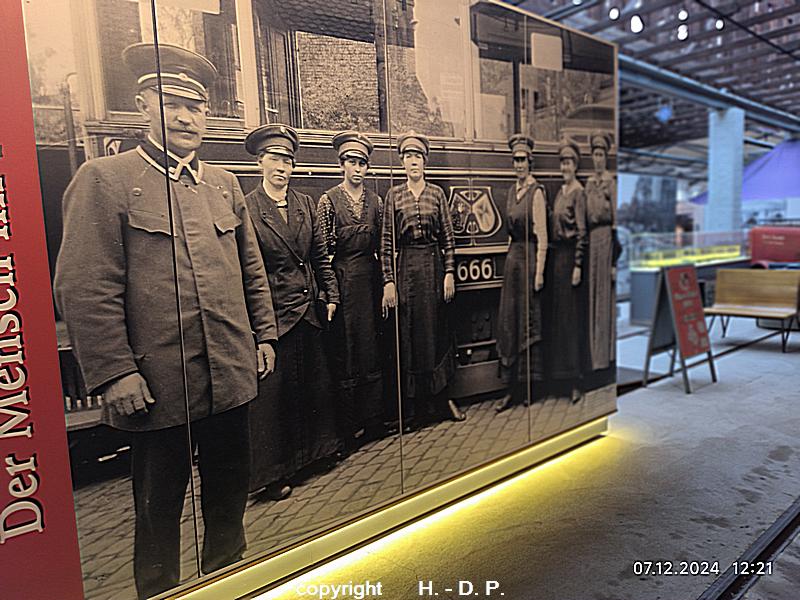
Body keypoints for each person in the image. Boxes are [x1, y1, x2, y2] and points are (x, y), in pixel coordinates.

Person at [53, 43, 277, 599]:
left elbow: (251, 269)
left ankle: (229, 585)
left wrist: (264, 335)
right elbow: (85, 287)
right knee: (158, 516)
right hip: (157, 387)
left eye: (195, 107)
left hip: (228, 374)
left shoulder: (222, 184)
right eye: (170, 103)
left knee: (228, 503)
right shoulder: (105, 180)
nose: (185, 118)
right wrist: (115, 373)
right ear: (143, 106)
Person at [243, 123, 341, 500]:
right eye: (274, 159)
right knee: (274, 396)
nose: (281, 167)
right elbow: (248, 269)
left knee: (310, 384)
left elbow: (319, 256)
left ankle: (315, 455)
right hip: (273, 313)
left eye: (287, 161)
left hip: (307, 309)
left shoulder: (304, 204)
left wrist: (330, 294)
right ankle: (273, 474)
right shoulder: (249, 207)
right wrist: (258, 325)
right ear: (260, 163)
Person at [381, 131, 466, 426]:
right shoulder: (394, 195)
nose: (413, 162)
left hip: (433, 266)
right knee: (410, 334)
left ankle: (443, 399)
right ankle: (415, 408)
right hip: (407, 268)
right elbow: (386, 243)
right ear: (402, 162)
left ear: (424, 161)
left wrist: (449, 273)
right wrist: (389, 281)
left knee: (437, 331)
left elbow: (448, 240)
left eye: (417, 156)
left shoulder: (436, 194)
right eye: (408, 156)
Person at [317, 131, 385, 449]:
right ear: (341, 164)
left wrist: (385, 283)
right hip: (342, 282)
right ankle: (347, 429)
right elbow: (323, 253)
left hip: (370, 283)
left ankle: (373, 422)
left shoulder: (376, 202)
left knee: (370, 348)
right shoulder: (328, 201)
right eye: (351, 162)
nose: (357, 169)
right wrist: (330, 292)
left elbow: (382, 247)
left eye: (362, 163)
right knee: (345, 351)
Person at [495, 134, 548, 412]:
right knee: (510, 322)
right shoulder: (510, 192)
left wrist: (539, 272)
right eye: (515, 160)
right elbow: (509, 233)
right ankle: (511, 390)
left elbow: (543, 236)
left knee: (528, 320)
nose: (518, 165)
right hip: (513, 262)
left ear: (530, 162)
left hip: (529, 260)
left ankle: (529, 388)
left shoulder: (536, 192)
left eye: (523, 160)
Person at [546, 137, 588, 402]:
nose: (565, 167)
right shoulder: (561, 192)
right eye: (562, 162)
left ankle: (575, 382)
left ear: (576, 165)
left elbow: (582, 231)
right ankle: (561, 379)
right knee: (559, 320)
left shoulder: (578, 192)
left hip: (571, 257)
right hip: (558, 260)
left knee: (571, 322)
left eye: (569, 162)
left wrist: (578, 265)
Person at [584, 131, 620, 372]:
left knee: (605, 299)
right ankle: (594, 359)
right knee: (593, 298)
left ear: (606, 157)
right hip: (592, 241)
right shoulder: (589, 184)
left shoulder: (611, 183)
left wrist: (614, 261)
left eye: (601, 155)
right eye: (595, 155)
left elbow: (617, 223)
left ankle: (607, 359)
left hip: (607, 241)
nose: (598, 159)